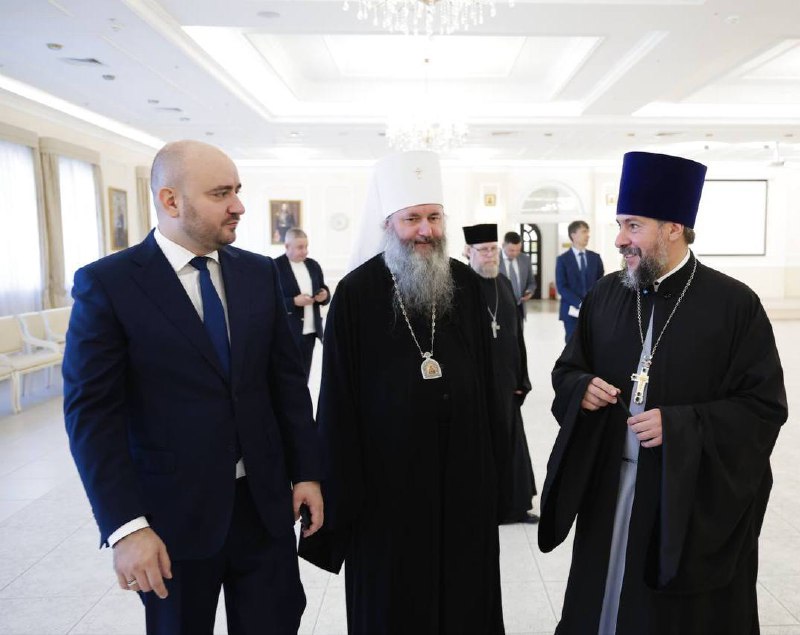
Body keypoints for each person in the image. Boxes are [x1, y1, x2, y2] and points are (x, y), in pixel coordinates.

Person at [63, 140, 324, 635]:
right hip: (170, 521)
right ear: (170, 200)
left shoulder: (258, 272)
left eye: (238, 190)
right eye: (221, 193)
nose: (239, 206)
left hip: (263, 508)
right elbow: (91, 416)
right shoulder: (109, 284)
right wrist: (126, 528)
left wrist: (306, 473)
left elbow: (286, 384)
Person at [538, 151, 787, 635]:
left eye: (633, 226)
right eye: (620, 225)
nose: (619, 240)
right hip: (608, 486)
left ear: (673, 228)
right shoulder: (606, 294)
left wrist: (680, 425)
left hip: (682, 497)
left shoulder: (734, 304)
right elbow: (568, 369)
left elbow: (763, 407)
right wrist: (581, 389)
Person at [299, 151, 505, 634]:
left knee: (465, 599)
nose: (425, 230)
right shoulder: (356, 293)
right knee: (393, 601)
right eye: (412, 219)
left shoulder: (465, 285)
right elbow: (337, 401)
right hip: (385, 490)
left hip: (462, 481)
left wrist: (496, 473)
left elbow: (488, 383)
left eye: (434, 217)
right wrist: (334, 486)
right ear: (388, 224)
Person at [464, 223, 538, 525]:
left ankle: (515, 506)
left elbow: (516, 335)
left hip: (507, 382)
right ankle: (485, 507)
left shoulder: (504, 283)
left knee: (511, 443)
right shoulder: (461, 288)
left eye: (493, 249)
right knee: (482, 446)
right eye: (483, 250)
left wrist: (522, 378)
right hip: (476, 384)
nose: (489, 255)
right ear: (468, 252)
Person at [275, 228, 330, 380]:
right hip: (287, 332)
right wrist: (293, 301)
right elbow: (269, 300)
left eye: (306, 246)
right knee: (287, 377)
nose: (305, 251)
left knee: (304, 375)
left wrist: (324, 295)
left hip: (310, 332)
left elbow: (323, 288)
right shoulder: (275, 266)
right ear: (287, 246)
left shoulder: (313, 265)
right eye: (300, 247)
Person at [555, 220, 604, 343]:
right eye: (584, 232)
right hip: (571, 311)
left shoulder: (595, 258)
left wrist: (592, 302)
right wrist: (580, 303)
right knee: (573, 344)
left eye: (588, 232)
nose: (587, 235)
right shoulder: (562, 260)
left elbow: (600, 283)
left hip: (592, 310)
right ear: (573, 235)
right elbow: (562, 287)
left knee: (592, 344)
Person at [499, 231, 536, 321]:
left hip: (520, 308)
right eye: (511, 250)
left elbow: (531, 282)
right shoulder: (494, 260)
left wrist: (529, 291)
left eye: (518, 250)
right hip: (501, 308)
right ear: (503, 245)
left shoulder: (525, 259)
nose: (515, 253)